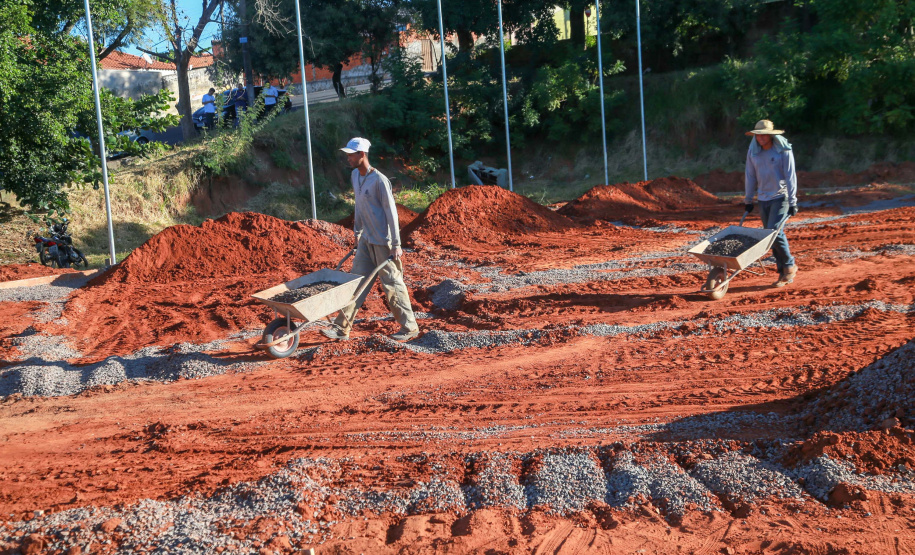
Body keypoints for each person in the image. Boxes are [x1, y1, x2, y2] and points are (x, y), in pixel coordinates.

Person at [322, 137, 420, 342]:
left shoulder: (380, 181)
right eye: (347, 154)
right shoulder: (355, 176)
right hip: (366, 240)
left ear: (362, 154)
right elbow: (358, 205)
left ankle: (409, 328)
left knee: (392, 284)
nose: (348, 158)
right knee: (355, 283)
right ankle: (341, 328)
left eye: (351, 154)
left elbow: (391, 212)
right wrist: (357, 232)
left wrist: (396, 244)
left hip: (384, 242)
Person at [744, 119, 799, 287]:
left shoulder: (783, 150)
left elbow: (790, 176)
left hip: (780, 196)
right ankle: (782, 273)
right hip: (763, 198)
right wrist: (748, 199)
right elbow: (750, 175)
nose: (760, 138)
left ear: (771, 134)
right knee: (770, 236)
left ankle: (789, 265)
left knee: (774, 231)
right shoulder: (753, 152)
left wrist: (793, 201)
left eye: (763, 135)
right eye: (757, 135)